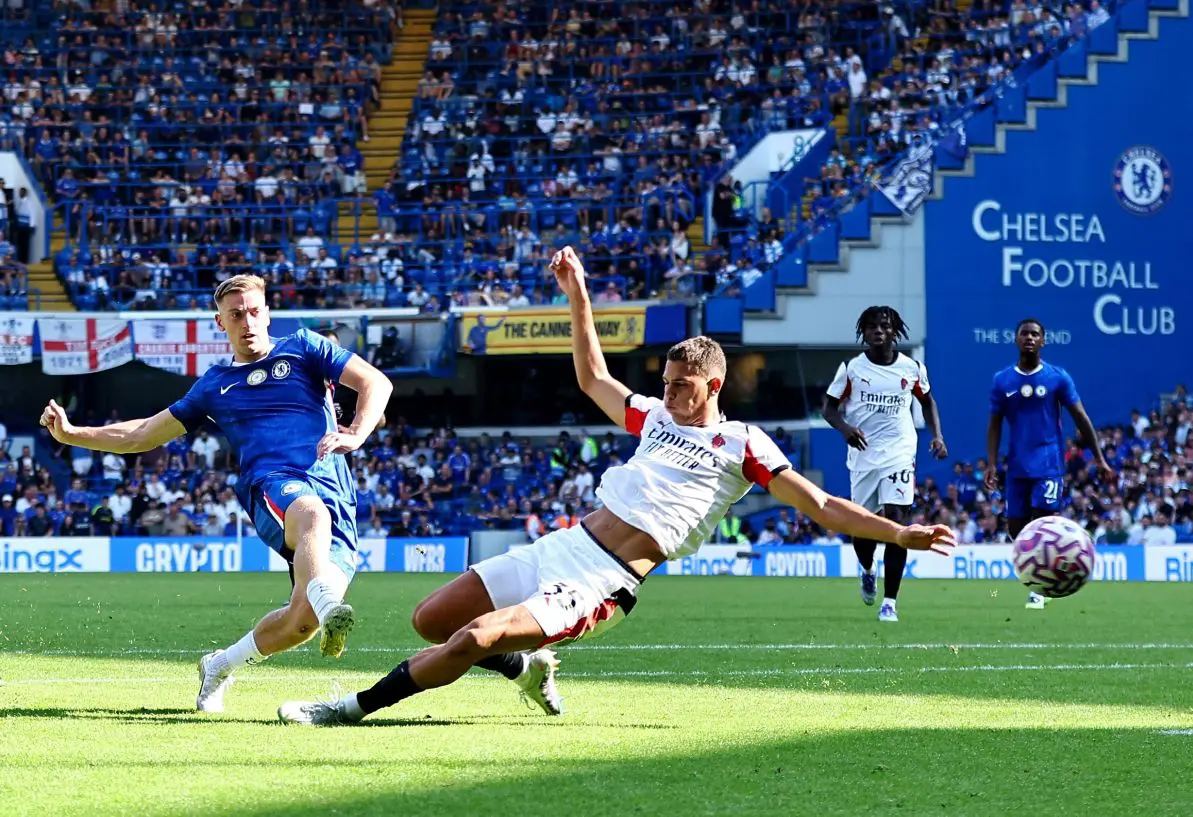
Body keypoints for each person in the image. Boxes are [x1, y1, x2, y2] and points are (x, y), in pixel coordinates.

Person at [276, 246, 956, 726]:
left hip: (602, 581)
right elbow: (594, 379)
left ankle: (348, 708)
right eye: (666, 383)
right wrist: (578, 296)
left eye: (682, 386)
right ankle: (528, 670)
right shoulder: (655, 415)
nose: (669, 393)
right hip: (563, 544)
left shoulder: (744, 444)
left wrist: (901, 532)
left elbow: (823, 504)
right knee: (432, 619)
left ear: (713, 385)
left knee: (474, 637)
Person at [39, 274, 394, 712]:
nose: (248, 322)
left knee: (301, 624)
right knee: (311, 515)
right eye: (236, 315)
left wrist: (356, 432)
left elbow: (376, 382)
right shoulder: (215, 385)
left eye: (255, 311)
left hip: (336, 492)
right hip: (274, 487)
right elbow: (141, 434)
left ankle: (220, 664)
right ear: (220, 322)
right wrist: (72, 434)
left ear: (268, 314)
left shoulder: (304, 347)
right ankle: (328, 603)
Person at [822, 306, 947, 623]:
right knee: (862, 529)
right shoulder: (852, 369)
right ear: (863, 332)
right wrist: (846, 429)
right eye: (872, 326)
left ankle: (890, 602)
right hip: (864, 454)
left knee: (897, 525)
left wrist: (938, 436)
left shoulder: (912, 368)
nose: (878, 330)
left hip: (899, 452)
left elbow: (927, 401)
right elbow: (829, 408)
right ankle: (867, 569)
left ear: (895, 331)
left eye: (885, 325)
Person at [985, 318, 1113, 610]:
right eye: (1024, 334)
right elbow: (994, 424)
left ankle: (1040, 587)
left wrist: (1100, 458)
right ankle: (1035, 574)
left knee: (1043, 521)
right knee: (1016, 528)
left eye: (1035, 334)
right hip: (1017, 466)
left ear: (1043, 341)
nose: (1029, 338)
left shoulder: (1057, 377)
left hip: (1049, 463)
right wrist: (991, 463)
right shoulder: (1002, 380)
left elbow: (1081, 418)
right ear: (1016, 339)